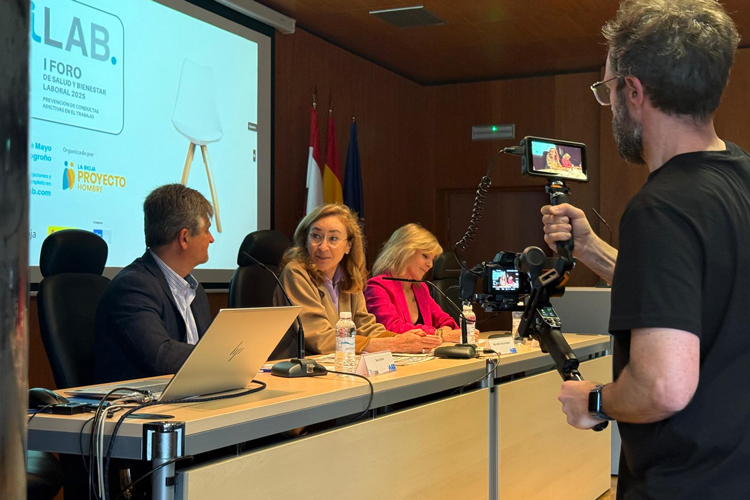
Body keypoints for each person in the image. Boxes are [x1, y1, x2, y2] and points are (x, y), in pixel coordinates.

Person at [541, 1, 747, 498]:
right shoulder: (739, 180)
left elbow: (663, 386)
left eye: (607, 89)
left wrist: (594, 399)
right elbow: (699, 293)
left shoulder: (661, 207)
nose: (609, 102)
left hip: (687, 482)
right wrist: (592, 251)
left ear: (633, 91)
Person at [276, 204, 441, 355]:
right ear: (306, 239)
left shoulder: (349, 276)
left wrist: (402, 338)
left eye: (333, 238)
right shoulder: (296, 272)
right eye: (316, 236)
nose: (323, 247)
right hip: (298, 368)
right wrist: (393, 344)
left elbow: (365, 326)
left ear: (348, 245)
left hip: (338, 365)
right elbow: (320, 338)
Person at [95, 184, 215, 383]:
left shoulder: (196, 291)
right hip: (139, 400)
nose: (211, 239)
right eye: (207, 230)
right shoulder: (132, 287)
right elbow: (161, 356)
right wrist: (222, 357)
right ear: (184, 238)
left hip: (190, 394)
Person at [365, 224, 462, 342]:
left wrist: (445, 331)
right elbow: (391, 329)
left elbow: (446, 321)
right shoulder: (377, 286)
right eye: (425, 256)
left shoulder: (420, 288)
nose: (430, 265)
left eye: (433, 259)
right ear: (405, 251)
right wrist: (439, 333)